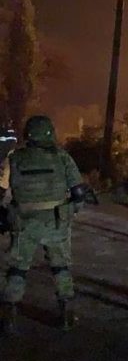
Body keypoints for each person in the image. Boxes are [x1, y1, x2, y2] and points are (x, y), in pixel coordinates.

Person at [0, 116, 84, 333]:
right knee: (60, 268)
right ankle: (67, 313)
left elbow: (1, 191)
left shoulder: (15, 158)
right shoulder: (62, 157)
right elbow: (78, 193)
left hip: (24, 222)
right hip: (56, 222)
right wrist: (71, 211)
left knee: (18, 269)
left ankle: (8, 316)